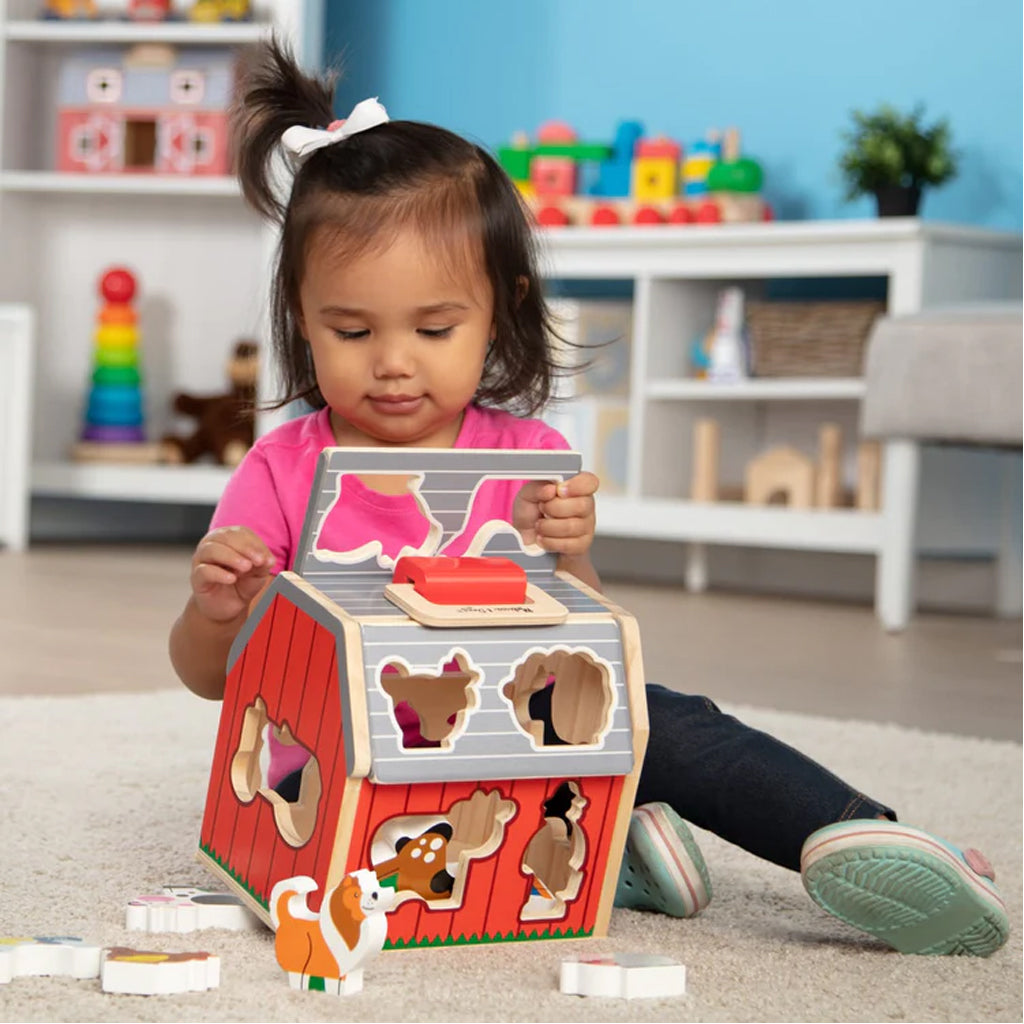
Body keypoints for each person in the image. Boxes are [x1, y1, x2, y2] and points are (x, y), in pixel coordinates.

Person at [169, 38, 1009, 959]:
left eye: (435, 327)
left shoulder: (527, 454)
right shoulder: (284, 467)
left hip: (522, 722)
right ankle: (603, 836)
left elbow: (592, 635)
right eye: (352, 328)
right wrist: (219, 610)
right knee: (299, 771)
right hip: (360, 743)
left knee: (668, 718)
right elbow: (214, 679)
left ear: (500, 311)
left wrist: (571, 559)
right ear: (302, 318)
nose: (394, 360)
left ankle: (860, 832)